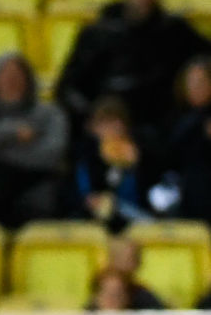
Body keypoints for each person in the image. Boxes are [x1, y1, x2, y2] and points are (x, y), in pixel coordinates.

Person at [57, 0, 211, 135]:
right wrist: (93, 116)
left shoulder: (173, 31)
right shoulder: (98, 33)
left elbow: (204, 57)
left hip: (158, 128)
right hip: (106, 125)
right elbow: (67, 88)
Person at [0, 51, 69, 228]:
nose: (11, 80)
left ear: (29, 80)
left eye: (17, 75)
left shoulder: (51, 114)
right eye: (5, 74)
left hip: (36, 187)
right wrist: (12, 133)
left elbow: (51, 155)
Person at [62, 96, 157, 230]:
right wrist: (88, 200)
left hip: (135, 217)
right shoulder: (85, 156)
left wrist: (138, 165)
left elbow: (154, 193)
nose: (113, 128)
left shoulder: (143, 150)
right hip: (92, 219)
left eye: (117, 122)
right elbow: (75, 193)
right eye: (105, 123)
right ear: (94, 128)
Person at [162, 55, 211, 222]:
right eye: (190, 82)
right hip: (188, 200)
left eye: (200, 82)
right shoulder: (179, 118)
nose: (194, 88)